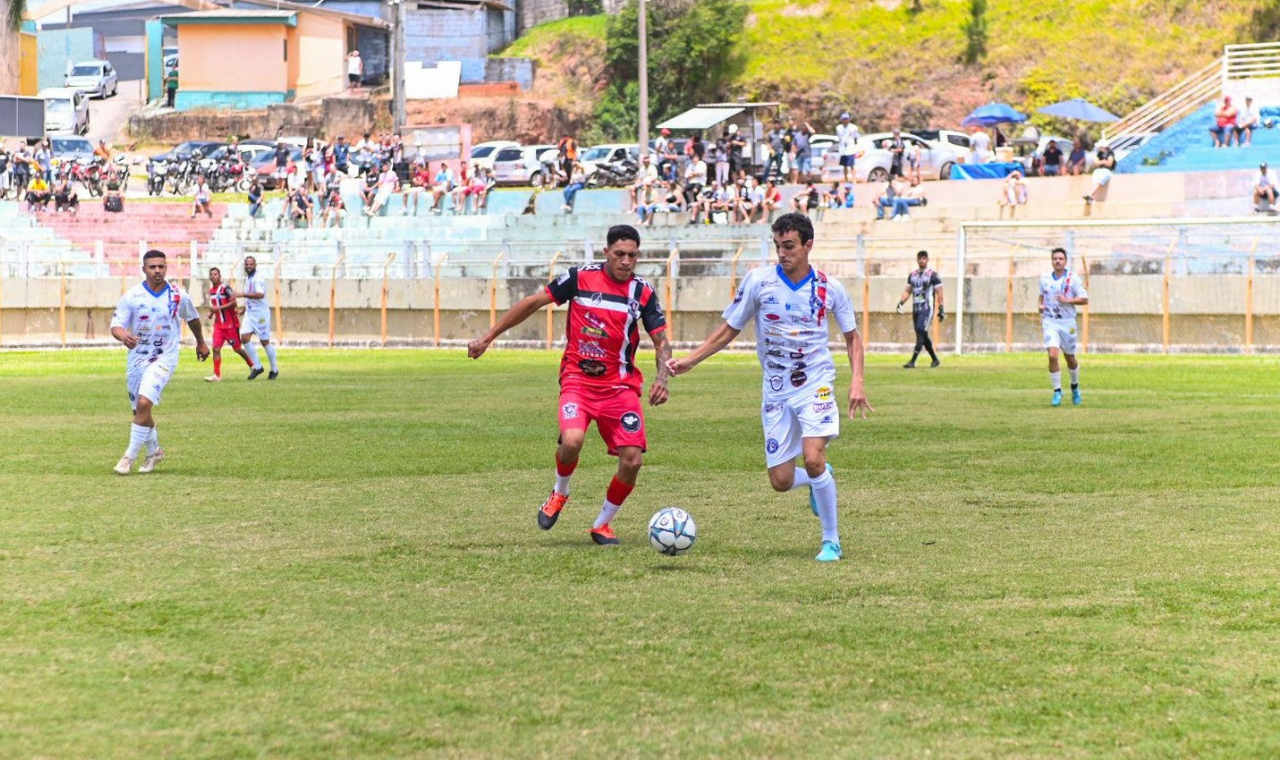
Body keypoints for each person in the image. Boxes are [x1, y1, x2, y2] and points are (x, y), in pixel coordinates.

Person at [667, 212, 872, 562]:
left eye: (789, 246)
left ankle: (831, 540)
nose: (782, 253)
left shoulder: (829, 288)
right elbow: (729, 328)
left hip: (816, 385)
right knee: (780, 480)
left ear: (809, 245)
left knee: (813, 456)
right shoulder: (758, 282)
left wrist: (857, 381)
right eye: (778, 246)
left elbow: (853, 338)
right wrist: (691, 359)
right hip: (776, 389)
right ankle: (816, 480)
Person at [467, 225, 671, 546]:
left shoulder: (642, 293)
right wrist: (487, 337)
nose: (626, 261)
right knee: (572, 441)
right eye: (620, 254)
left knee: (632, 460)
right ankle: (560, 491)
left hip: (620, 388)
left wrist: (662, 378)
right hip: (578, 379)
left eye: (633, 255)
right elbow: (534, 303)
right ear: (607, 253)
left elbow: (661, 342)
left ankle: (602, 525)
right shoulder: (579, 278)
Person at [110, 249, 208, 474]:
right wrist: (124, 336)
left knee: (145, 403)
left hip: (165, 357)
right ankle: (155, 451)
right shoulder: (132, 296)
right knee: (139, 412)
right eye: (152, 267)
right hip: (137, 358)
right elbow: (116, 325)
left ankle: (128, 457)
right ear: (143, 269)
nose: (157, 271)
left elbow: (192, 318)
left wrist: (201, 342)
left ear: (166, 268)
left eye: (161, 266)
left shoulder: (177, 295)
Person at [1038, 247, 1089, 407]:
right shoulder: (1045, 278)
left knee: (1070, 358)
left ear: (1065, 261)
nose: (1057, 261)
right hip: (1050, 321)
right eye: (1055, 259)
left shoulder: (1072, 278)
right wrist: (1040, 305)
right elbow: (1042, 296)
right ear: (1052, 261)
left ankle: (1074, 387)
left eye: (1060, 258)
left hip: (1067, 323)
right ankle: (1057, 391)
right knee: (1053, 355)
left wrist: (1067, 300)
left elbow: (1084, 299)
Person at [204, 267, 256, 382]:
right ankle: (216, 376)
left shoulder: (225, 289)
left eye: (215, 274)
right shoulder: (211, 291)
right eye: (211, 274)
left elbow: (234, 303)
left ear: (220, 276)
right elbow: (215, 306)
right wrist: (211, 313)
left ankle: (252, 366)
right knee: (216, 349)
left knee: (237, 349)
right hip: (219, 326)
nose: (213, 276)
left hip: (230, 325)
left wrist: (218, 308)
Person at [895, 250, 944, 368]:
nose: (922, 260)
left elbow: (939, 292)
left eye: (924, 258)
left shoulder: (933, 275)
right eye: (920, 258)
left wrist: (941, 308)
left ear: (927, 260)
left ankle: (913, 361)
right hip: (916, 308)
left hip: (927, 308)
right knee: (922, 334)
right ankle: (935, 360)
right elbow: (908, 291)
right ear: (917, 260)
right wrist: (901, 302)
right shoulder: (912, 275)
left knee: (920, 330)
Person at [238, 256, 279, 381]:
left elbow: (260, 294)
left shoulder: (258, 277)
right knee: (244, 337)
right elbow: (250, 297)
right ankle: (257, 366)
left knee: (264, 341)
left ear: (255, 265)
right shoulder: (248, 278)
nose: (248, 266)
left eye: (251, 264)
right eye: (246, 264)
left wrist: (242, 294)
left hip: (260, 314)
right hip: (250, 314)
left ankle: (274, 369)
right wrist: (244, 309)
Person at [1083, 140, 1116, 205]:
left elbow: (1109, 163)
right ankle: (1091, 197)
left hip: (1107, 171)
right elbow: (1095, 162)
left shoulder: (1110, 153)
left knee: (1099, 180)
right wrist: (1103, 161)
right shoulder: (1099, 153)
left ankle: (1090, 194)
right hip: (1099, 170)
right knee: (1096, 179)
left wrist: (1101, 162)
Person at [835, 112, 860, 183]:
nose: (845, 120)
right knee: (844, 166)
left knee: (852, 165)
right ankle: (846, 179)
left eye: (846, 119)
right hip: (843, 149)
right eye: (844, 119)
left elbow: (855, 137)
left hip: (850, 149)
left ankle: (854, 179)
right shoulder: (839, 128)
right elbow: (841, 137)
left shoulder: (853, 127)